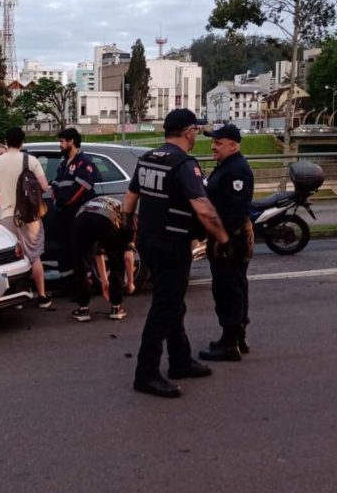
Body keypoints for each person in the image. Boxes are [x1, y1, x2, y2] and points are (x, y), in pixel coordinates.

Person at [122, 108, 233, 398]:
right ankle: (145, 374)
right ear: (188, 132)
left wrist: (127, 229)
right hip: (172, 244)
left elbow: (130, 199)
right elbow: (204, 209)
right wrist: (223, 238)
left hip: (149, 242)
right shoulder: (184, 164)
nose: (196, 134)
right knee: (165, 307)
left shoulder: (148, 158)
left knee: (173, 302)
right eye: (195, 130)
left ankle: (180, 359)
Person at [198, 124, 255, 362]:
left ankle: (230, 343)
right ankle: (235, 336)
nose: (213, 146)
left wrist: (224, 241)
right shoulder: (227, 166)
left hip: (228, 240)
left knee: (228, 289)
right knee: (233, 286)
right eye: (213, 142)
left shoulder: (236, 171)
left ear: (233, 145)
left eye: (218, 143)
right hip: (226, 237)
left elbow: (235, 209)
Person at [0, 128, 53, 309]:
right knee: (35, 256)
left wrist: (3, 188)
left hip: (6, 216)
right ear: (22, 142)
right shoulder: (31, 161)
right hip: (30, 216)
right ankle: (43, 296)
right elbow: (45, 186)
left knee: (10, 259)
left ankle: (15, 298)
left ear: (6, 141)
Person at [69, 195, 130, 322]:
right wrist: (130, 283)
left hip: (81, 218)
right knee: (116, 261)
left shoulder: (99, 203)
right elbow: (128, 256)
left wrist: (104, 281)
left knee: (80, 262)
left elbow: (98, 252)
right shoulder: (125, 214)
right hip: (106, 219)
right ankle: (116, 307)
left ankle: (83, 309)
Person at [52, 128, 101, 276]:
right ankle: (68, 283)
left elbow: (81, 188)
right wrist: (57, 201)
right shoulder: (63, 163)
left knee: (79, 249)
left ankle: (82, 285)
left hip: (78, 212)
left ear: (71, 141)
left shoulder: (84, 162)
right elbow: (55, 183)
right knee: (66, 249)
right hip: (64, 213)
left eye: (61, 141)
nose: (59, 145)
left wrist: (65, 202)